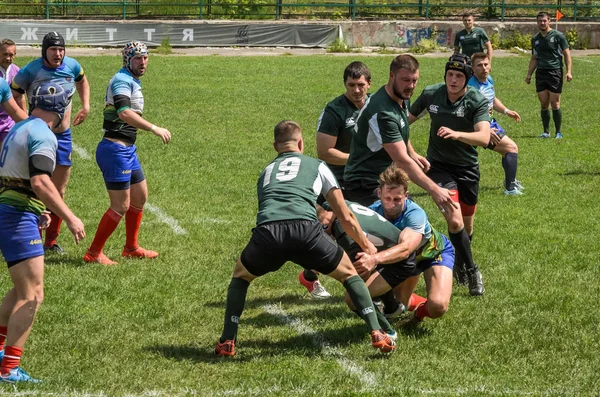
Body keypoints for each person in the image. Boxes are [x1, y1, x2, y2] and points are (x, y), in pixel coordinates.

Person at [215, 120, 395, 357]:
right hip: (306, 232)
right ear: (301, 143)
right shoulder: (317, 165)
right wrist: (366, 244)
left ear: (274, 146)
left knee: (240, 277)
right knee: (349, 274)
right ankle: (377, 332)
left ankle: (228, 340)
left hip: (269, 233)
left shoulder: (266, 171)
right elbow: (346, 216)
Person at [0, 82, 86, 383]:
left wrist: (40, 209)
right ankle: (9, 369)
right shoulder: (45, 135)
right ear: (61, 109)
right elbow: (39, 182)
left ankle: (0, 351)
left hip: (11, 210)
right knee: (33, 295)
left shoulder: (18, 128)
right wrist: (71, 217)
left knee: (20, 287)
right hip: (17, 216)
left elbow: (18, 177)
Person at [408, 54, 490, 296]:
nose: (453, 80)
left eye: (459, 76)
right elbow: (403, 122)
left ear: (467, 78)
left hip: (467, 169)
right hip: (439, 167)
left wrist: (457, 134)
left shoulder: (476, 100)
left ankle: (461, 263)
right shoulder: (432, 94)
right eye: (450, 75)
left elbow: (484, 137)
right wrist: (410, 152)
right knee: (454, 221)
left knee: (466, 225)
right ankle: (473, 271)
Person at [83, 41, 171, 266]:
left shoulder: (132, 80)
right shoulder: (122, 80)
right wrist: (153, 128)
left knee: (140, 197)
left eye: (145, 58)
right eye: (137, 58)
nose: (142, 62)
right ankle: (94, 253)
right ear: (127, 60)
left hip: (127, 150)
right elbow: (123, 112)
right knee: (120, 205)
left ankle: (131, 248)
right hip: (115, 150)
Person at [343, 54, 456, 213]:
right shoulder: (383, 112)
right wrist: (435, 190)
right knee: (397, 230)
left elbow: (399, 129)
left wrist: (412, 152)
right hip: (364, 183)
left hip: (385, 178)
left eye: (414, 80)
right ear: (391, 76)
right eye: (405, 80)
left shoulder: (401, 95)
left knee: (415, 223)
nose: (410, 85)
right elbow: (402, 161)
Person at [11, 31, 91, 253]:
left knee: (60, 190)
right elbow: (14, 92)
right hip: (38, 137)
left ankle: (51, 242)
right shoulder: (32, 70)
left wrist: (86, 106)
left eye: (61, 49)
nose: (58, 54)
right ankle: (34, 238)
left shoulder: (72, 65)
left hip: (63, 137)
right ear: (44, 51)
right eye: (53, 49)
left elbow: (82, 81)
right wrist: (23, 118)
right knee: (35, 187)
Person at [346, 164, 454, 326]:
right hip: (405, 262)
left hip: (433, 253)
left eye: (397, 199)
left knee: (438, 306)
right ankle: (404, 310)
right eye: (387, 199)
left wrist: (374, 260)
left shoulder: (414, 214)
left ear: (406, 196)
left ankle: (420, 313)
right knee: (398, 303)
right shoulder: (372, 212)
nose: (391, 204)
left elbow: (406, 248)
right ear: (379, 194)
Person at [299, 61, 372, 299]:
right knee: (331, 230)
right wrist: (358, 160)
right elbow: (324, 152)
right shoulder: (334, 110)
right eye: (351, 85)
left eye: (361, 85)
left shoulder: (376, 106)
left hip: (368, 179)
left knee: (365, 229)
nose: (356, 90)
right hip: (336, 181)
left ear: (369, 84)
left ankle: (373, 282)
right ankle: (311, 276)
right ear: (345, 85)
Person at [469, 52, 524, 195]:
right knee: (511, 148)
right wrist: (484, 131)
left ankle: (510, 183)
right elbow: (468, 112)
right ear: (473, 68)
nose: (484, 68)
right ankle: (510, 187)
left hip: (489, 123)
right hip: (476, 126)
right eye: (479, 65)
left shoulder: (489, 80)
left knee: (509, 149)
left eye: (486, 64)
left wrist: (506, 111)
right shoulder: (471, 88)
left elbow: (492, 99)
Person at [525, 11, 572, 139]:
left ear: (549, 21)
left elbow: (566, 53)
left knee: (555, 103)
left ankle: (558, 132)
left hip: (555, 72)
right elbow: (534, 57)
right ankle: (546, 132)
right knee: (544, 103)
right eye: (540, 21)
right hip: (540, 72)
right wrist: (529, 74)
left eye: (545, 20)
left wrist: (568, 71)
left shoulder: (558, 36)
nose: (542, 23)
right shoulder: (535, 39)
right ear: (537, 22)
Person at [0, 39, 26, 143]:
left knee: (6, 155)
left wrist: (25, 121)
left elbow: (20, 97)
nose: (8, 58)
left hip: (8, 120)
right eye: (4, 54)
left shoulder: (17, 71)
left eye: (11, 55)